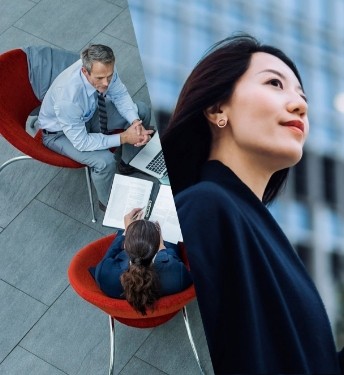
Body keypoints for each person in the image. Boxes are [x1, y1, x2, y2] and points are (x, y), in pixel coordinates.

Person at [161, 34, 344, 374]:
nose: (300, 105)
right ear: (217, 109)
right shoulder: (208, 208)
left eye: (302, 97)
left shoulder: (256, 227)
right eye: (275, 83)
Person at [38, 44, 153, 210]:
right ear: (85, 72)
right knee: (105, 162)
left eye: (109, 76)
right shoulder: (68, 99)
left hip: (87, 115)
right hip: (59, 134)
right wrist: (125, 137)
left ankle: (128, 163)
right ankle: (107, 203)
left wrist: (135, 122)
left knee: (141, 110)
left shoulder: (104, 69)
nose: (106, 83)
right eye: (99, 78)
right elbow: (82, 142)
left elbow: (119, 94)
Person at [89, 208, 193, 315]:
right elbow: (173, 259)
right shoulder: (178, 274)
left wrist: (127, 231)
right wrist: (163, 249)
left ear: (125, 246)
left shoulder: (104, 273)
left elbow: (110, 255)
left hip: (125, 315)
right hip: (166, 311)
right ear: (158, 246)